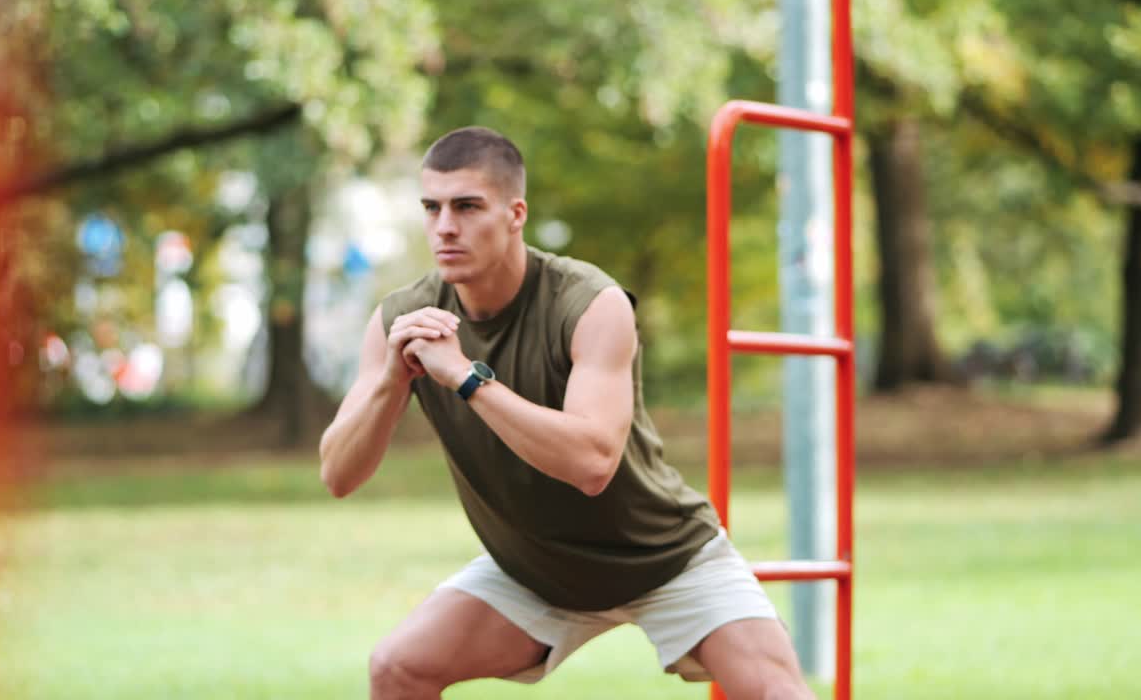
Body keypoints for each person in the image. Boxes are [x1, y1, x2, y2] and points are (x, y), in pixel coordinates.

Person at [318, 126, 815, 700]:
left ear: (515, 213)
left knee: (782, 694)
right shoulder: (403, 319)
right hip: (534, 570)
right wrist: (389, 383)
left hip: (664, 557)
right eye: (431, 207)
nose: (445, 226)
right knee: (398, 667)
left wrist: (463, 376)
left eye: (467, 206)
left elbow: (592, 462)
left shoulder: (589, 302)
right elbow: (338, 475)